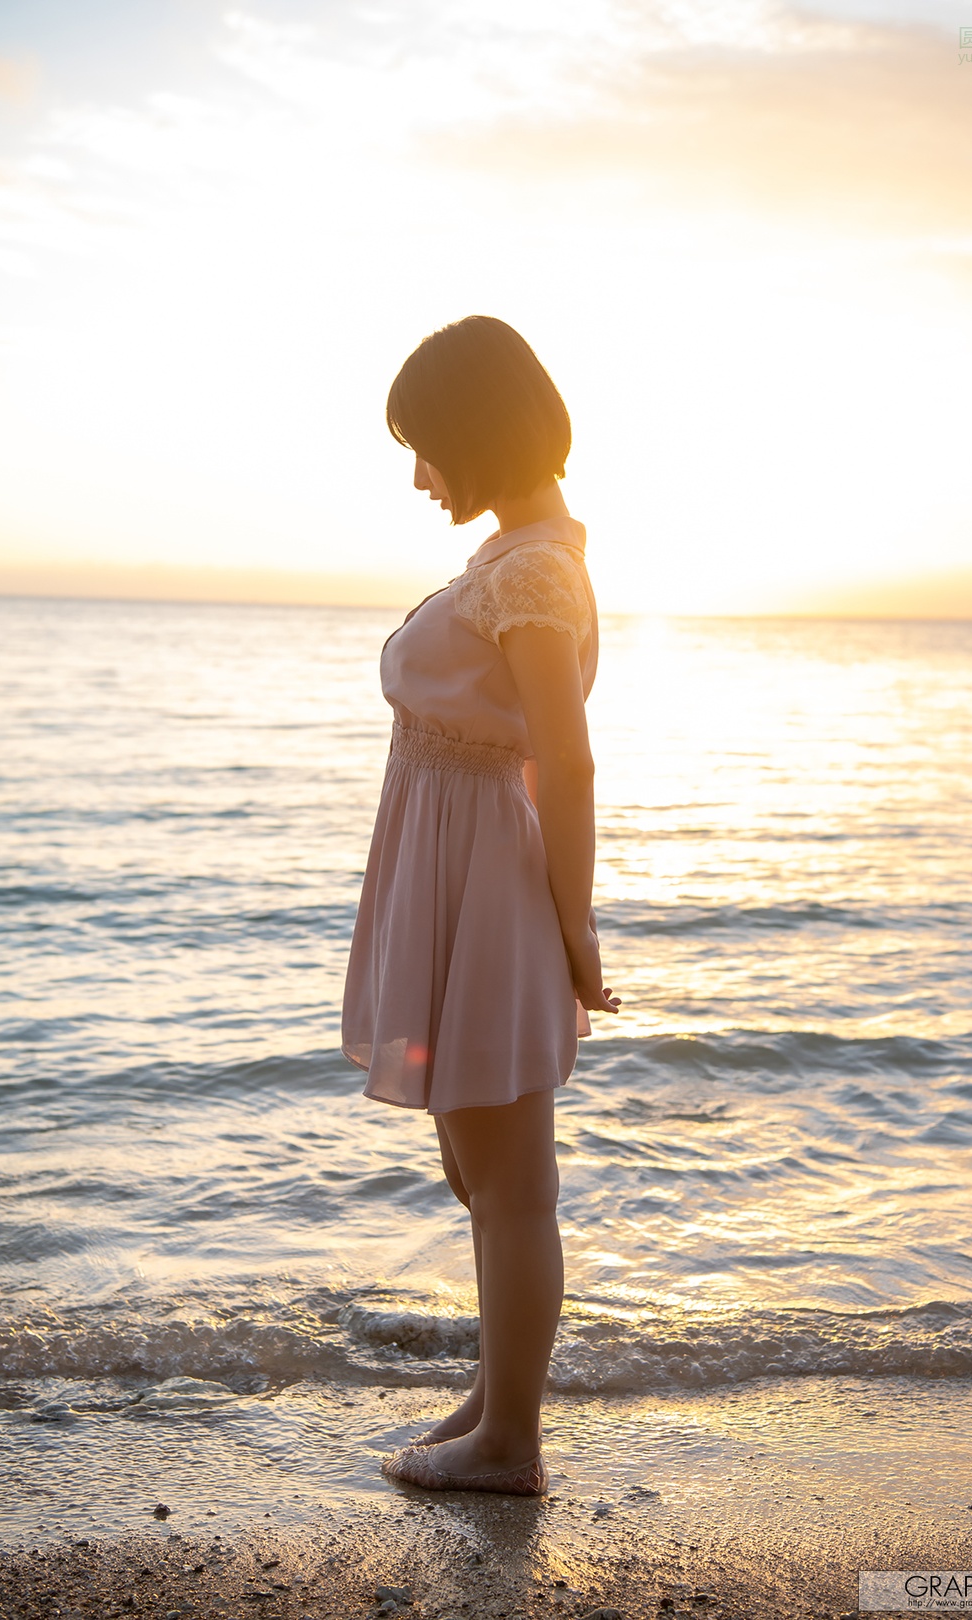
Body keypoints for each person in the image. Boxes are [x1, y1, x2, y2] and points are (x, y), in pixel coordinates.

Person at [341, 314, 619, 1497]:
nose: (418, 474)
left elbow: (568, 759)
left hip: (490, 896)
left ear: (479, 434)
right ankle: (498, 1400)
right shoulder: (517, 555)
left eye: (428, 445)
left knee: (511, 1185)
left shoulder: (539, 573)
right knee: (480, 1173)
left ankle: (512, 1446)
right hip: (451, 884)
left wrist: (573, 930)